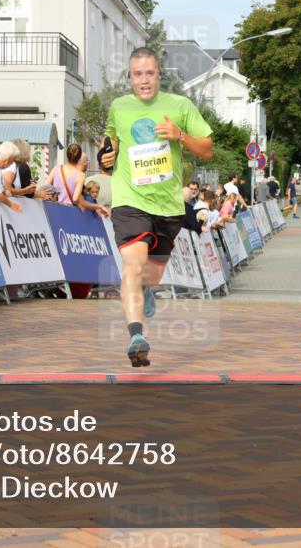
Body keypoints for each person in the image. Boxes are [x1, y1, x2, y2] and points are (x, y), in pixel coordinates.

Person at [100, 46, 213, 366]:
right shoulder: (118, 107)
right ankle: (136, 334)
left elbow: (206, 149)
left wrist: (180, 135)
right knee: (133, 266)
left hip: (167, 206)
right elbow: (111, 144)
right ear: (130, 77)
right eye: (137, 74)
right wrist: (105, 156)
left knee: (151, 275)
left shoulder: (180, 105)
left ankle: (147, 289)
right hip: (129, 200)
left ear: (158, 75)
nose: (144, 80)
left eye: (150, 73)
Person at [46, 143, 110, 217]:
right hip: (69, 212)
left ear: (67, 155)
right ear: (79, 157)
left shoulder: (57, 168)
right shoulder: (80, 175)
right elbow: (76, 199)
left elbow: (46, 187)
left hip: (54, 209)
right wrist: (99, 206)